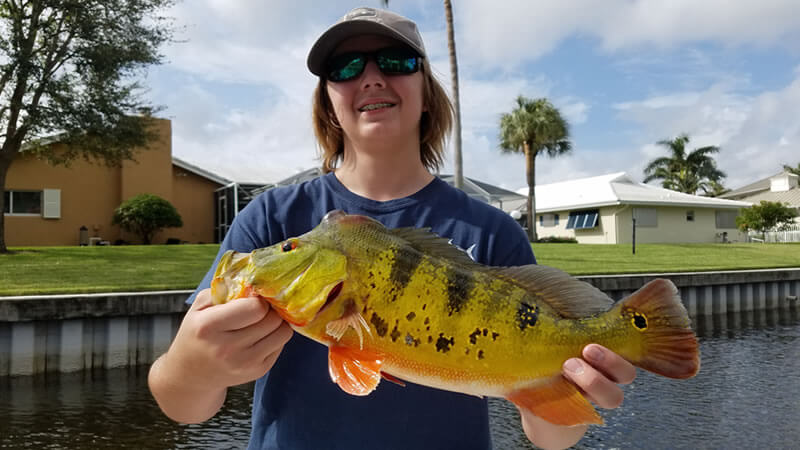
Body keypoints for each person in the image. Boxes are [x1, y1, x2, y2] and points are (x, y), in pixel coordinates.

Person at [148, 7, 636, 450]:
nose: (372, 78)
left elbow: (550, 437)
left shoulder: (490, 230)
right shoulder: (270, 217)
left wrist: (577, 387)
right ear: (329, 105)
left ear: (427, 93)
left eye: (396, 62)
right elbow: (184, 407)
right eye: (345, 68)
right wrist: (193, 365)